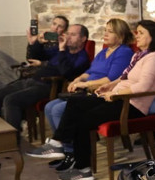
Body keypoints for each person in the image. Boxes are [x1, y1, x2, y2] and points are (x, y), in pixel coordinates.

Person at [25, 20, 155, 180]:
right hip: (119, 97)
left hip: (132, 105)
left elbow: (143, 86)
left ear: (152, 37)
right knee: (75, 103)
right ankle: (57, 143)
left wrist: (117, 93)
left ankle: (83, 170)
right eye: (137, 32)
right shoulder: (138, 55)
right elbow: (124, 77)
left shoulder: (154, 57)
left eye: (141, 33)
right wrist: (109, 86)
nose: (137, 36)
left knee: (84, 120)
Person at [42, 18, 134, 171]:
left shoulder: (124, 52)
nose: (105, 34)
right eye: (105, 30)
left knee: (58, 110)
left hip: (99, 92)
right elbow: (90, 72)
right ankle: (64, 150)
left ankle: (70, 152)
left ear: (121, 36)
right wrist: (77, 79)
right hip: (87, 90)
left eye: (110, 32)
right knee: (50, 107)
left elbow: (111, 78)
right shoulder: (104, 51)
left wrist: (84, 84)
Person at [0, 23, 90, 132]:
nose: (68, 37)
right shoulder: (60, 50)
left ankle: (13, 141)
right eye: (68, 33)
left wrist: (62, 50)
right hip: (30, 80)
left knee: (10, 100)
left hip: (46, 86)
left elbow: (66, 72)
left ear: (83, 39)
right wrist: (36, 43)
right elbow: (36, 56)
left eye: (73, 34)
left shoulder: (82, 57)